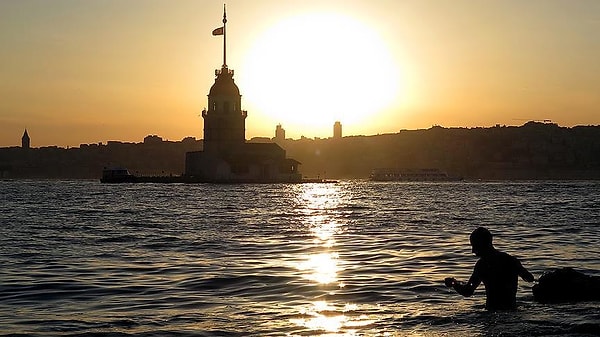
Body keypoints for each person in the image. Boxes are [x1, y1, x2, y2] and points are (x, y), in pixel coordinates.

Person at [445, 227, 535, 310]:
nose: (472, 251)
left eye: (474, 246)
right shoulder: (510, 260)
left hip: (492, 312)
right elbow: (530, 278)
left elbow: (468, 291)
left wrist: (454, 283)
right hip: (512, 310)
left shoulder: (482, 265)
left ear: (482, 244)